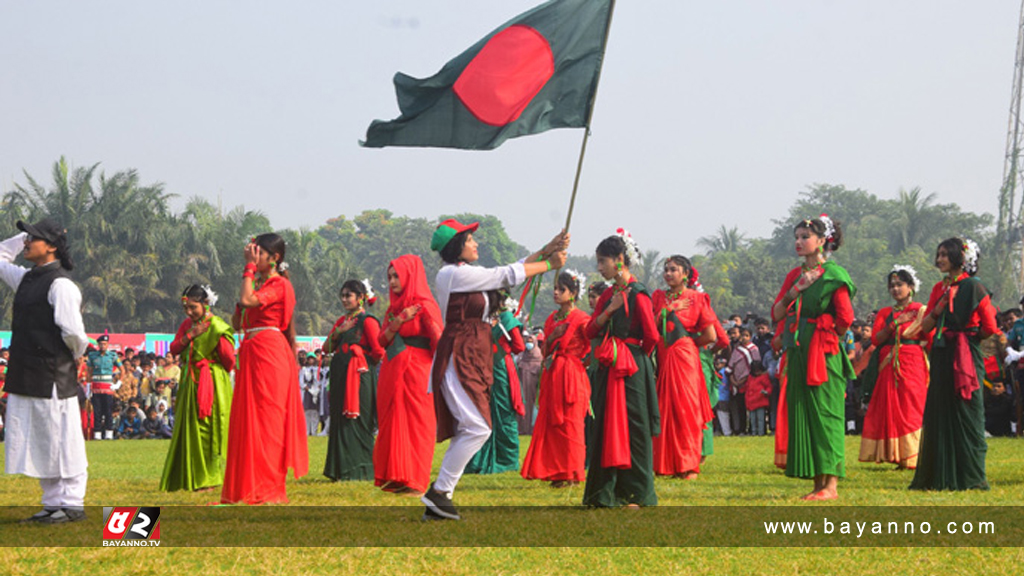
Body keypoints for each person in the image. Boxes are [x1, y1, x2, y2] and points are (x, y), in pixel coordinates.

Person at [420, 218, 568, 521]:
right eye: (471, 239)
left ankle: (440, 496)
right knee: (478, 428)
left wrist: (546, 250)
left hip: (473, 355)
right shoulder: (452, 274)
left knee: (475, 427)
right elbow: (506, 274)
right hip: (459, 355)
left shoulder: (469, 274)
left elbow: (510, 269)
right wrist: (548, 264)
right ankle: (439, 492)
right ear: (458, 245)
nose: (476, 244)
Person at [0, 219, 89, 523]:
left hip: (53, 374)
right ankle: (52, 503)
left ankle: (72, 503)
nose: (26, 243)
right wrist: (24, 235)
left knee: (63, 439)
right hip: (28, 373)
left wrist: (71, 359)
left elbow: (74, 334)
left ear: (51, 246)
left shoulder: (61, 285)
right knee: (43, 439)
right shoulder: (26, 279)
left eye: (33, 238)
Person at [770, 214, 855, 501]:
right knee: (806, 413)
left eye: (805, 237)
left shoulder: (834, 275)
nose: (799, 242)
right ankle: (819, 482)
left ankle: (831, 485)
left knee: (827, 413)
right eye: (796, 237)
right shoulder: (794, 277)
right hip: (797, 350)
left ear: (822, 241)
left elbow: (845, 318)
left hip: (823, 351)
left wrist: (824, 333)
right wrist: (797, 289)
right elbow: (777, 314)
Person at [221, 233, 309, 505]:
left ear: (275, 258)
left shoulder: (280, 285)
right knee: (250, 419)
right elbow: (237, 322)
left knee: (269, 420)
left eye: (259, 253)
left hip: (270, 352)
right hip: (251, 350)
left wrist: (247, 270)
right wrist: (247, 282)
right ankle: (248, 483)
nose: (253, 257)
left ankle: (269, 486)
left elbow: (249, 303)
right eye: (252, 253)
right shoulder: (257, 285)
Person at [910, 238, 1001, 491]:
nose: (939, 259)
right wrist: (938, 308)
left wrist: (968, 338)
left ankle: (971, 476)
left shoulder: (973, 286)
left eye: (944, 255)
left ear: (959, 258)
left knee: (967, 410)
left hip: (965, 354)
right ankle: (938, 474)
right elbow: (925, 326)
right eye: (938, 254)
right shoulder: (939, 288)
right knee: (940, 410)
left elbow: (991, 326)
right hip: (941, 353)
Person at [583, 230, 661, 508]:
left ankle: (638, 495)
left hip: (632, 369)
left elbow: (651, 336)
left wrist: (635, 359)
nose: (600, 267)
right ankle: (604, 494)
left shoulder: (639, 294)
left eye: (603, 261)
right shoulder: (609, 296)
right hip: (609, 366)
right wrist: (610, 310)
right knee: (605, 426)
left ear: (619, 260)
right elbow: (591, 329)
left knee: (635, 428)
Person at [374, 255, 443, 495]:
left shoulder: (425, 305)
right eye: (390, 277)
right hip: (392, 369)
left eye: (397, 276)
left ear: (411, 276)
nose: (392, 281)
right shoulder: (394, 309)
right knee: (393, 421)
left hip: (418, 371)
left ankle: (415, 480)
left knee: (417, 423)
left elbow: (438, 340)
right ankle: (396, 476)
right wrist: (400, 320)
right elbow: (381, 340)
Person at [159, 284, 235, 492]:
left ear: (205, 304)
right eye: (186, 309)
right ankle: (190, 474)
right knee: (189, 427)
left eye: (193, 307)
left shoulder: (217, 326)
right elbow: (174, 348)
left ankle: (209, 478)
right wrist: (191, 334)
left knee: (208, 428)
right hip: (189, 381)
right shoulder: (187, 325)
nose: (189, 312)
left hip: (210, 381)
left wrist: (211, 370)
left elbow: (229, 359)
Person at [521, 270, 591, 487]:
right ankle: (557, 472)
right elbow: (546, 349)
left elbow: (591, 347)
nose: (556, 293)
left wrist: (578, 363)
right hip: (553, 373)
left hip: (572, 374)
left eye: (562, 290)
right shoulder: (552, 318)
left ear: (573, 293)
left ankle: (572, 472)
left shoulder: (582, 319)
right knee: (553, 422)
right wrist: (552, 336)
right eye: (555, 289)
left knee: (571, 423)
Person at [650, 256, 717, 479]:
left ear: (685, 274)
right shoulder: (659, 297)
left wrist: (686, 344)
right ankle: (667, 463)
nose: (668, 274)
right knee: (665, 407)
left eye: (674, 270)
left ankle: (688, 465)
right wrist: (669, 309)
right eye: (666, 270)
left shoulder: (697, 299)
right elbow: (652, 327)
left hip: (685, 358)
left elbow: (711, 335)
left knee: (686, 409)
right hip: (664, 355)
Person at [858, 266, 930, 470]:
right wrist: (895, 324)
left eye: (900, 285)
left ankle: (913, 456)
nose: (896, 289)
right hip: (888, 363)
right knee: (890, 408)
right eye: (892, 286)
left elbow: (929, 337)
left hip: (913, 363)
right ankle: (897, 456)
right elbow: (876, 339)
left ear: (911, 286)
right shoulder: (885, 313)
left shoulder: (920, 310)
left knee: (911, 407)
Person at [322, 280, 385, 482]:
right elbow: (326, 348)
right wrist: (339, 332)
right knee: (340, 420)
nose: (344, 299)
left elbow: (379, 351)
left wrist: (359, 360)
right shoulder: (341, 321)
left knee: (357, 420)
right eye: (342, 295)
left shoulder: (368, 321)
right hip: (340, 376)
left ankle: (361, 469)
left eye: (349, 295)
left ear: (361, 298)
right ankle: (340, 470)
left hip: (359, 377)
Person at [464, 293, 526, 475]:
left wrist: (501, 345)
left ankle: (506, 459)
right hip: (486, 369)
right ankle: (483, 458)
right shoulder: (486, 317)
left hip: (500, 369)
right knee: (484, 413)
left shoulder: (506, 318)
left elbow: (519, 346)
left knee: (503, 412)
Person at [86, 334, 122, 440]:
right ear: (98, 345)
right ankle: (97, 434)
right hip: (96, 387)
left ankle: (108, 434)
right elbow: (89, 372)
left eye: (105, 344)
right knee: (97, 412)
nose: (103, 346)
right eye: (101, 344)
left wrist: (118, 383)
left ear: (108, 345)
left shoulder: (113, 356)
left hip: (108, 387)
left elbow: (122, 370)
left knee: (108, 411)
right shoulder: (92, 356)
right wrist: (88, 387)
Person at [726, 326, 760, 435]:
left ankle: (752, 428)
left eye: (747, 336)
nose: (744, 338)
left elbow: (755, 367)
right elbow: (731, 366)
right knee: (740, 407)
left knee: (750, 406)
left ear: (750, 337)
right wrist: (733, 380)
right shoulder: (736, 349)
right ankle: (741, 428)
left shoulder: (754, 349)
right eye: (742, 335)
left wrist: (743, 380)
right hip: (736, 381)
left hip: (748, 382)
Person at [516, 329, 543, 435]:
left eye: (531, 342)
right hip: (522, 391)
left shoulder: (539, 358)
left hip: (534, 392)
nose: (529, 344)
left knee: (533, 409)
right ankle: (522, 428)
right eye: (528, 341)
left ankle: (531, 429)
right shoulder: (522, 357)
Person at [745, 361, 772, 436]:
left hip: (761, 401)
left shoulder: (764, 377)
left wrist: (766, 392)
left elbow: (769, 387)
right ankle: (753, 432)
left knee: (760, 419)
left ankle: (761, 432)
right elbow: (747, 388)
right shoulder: (750, 378)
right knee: (752, 419)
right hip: (751, 402)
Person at [300, 355, 321, 436]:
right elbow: (301, 381)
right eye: (309, 359)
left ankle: (314, 431)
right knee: (307, 412)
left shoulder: (317, 370)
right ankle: (307, 431)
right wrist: (306, 387)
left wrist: (317, 388)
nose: (311, 360)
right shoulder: (304, 370)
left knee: (315, 412)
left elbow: (318, 380)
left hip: (315, 391)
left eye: (312, 359)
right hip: (307, 391)